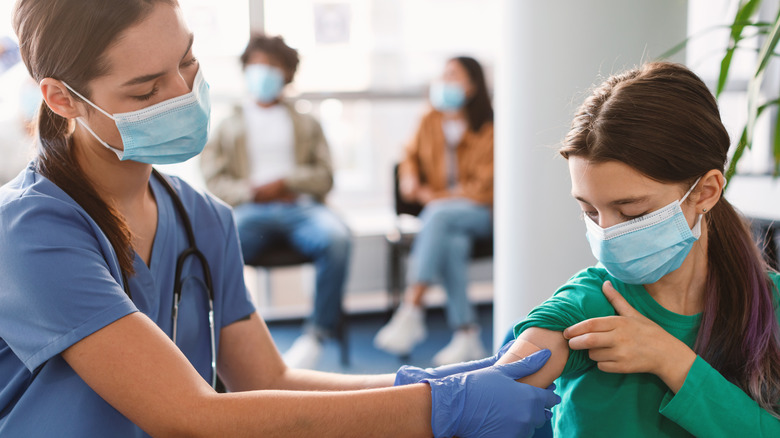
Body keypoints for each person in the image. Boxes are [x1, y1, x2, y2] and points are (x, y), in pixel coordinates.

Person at [0, 1, 561, 436]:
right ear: (62, 99)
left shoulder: (203, 220)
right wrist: (442, 409)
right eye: (147, 89)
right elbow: (190, 414)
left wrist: (449, 380)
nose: (183, 93)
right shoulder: (30, 233)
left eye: (187, 61)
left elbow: (269, 381)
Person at [504, 62, 780, 437]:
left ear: (705, 192)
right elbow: (495, 390)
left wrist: (672, 360)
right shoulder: (592, 303)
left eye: (632, 211)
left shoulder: (770, 308)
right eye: (589, 211)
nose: (607, 234)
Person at [201, 34, 351, 370]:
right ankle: (231, 341)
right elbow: (214, 181)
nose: (263, 72)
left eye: (272, 66)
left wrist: (285, 182)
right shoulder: (228, 126)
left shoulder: (307, 122)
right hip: (251, 211)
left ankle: (316, 336)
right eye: (257, 65)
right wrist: (254, 192)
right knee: (220, 245)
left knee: (338, 240)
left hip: (303, 209)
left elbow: (325, 177)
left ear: (287, 73)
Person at [374, 56, 494, 365]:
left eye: (453, 76)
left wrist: (436, 197)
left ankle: (412, 306)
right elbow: (408, 157)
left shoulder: (490, 128)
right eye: (443, 75)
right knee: (452, 243)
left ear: (472, 85)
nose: (444, 81)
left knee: (439, 214)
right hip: (446, 220)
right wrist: (412, 178)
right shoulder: (429, 119)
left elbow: (484, 188)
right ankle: (467, 334)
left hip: (482, 213)